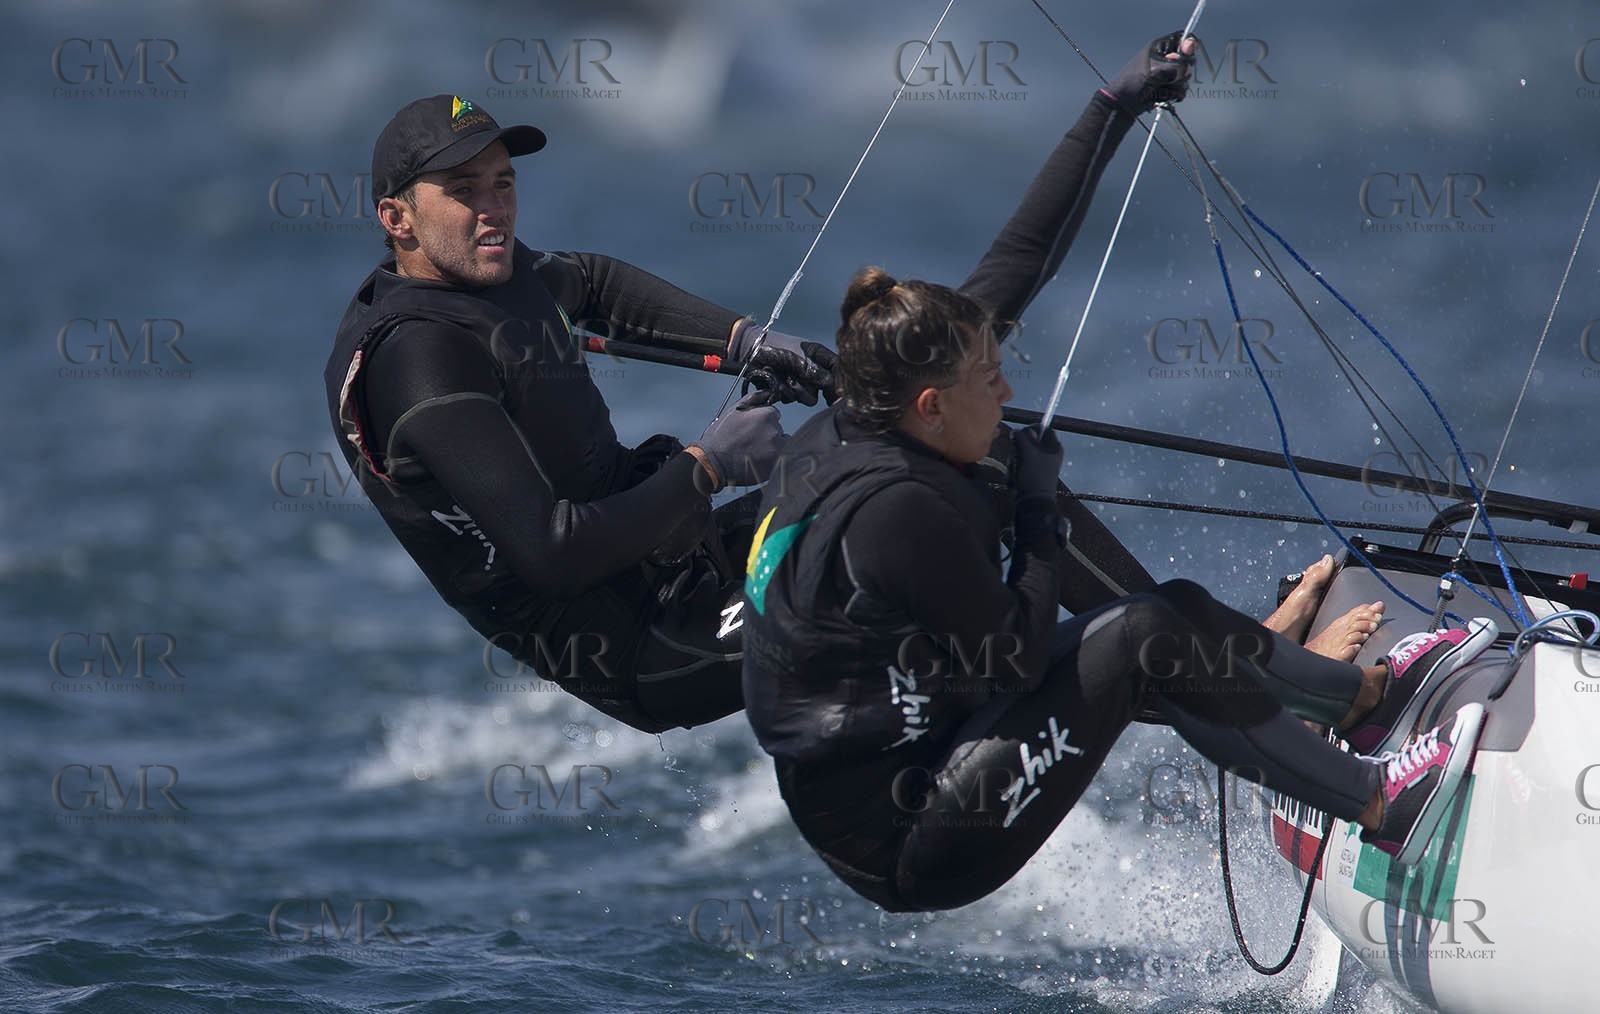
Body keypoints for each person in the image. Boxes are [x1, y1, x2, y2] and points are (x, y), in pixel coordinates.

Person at [740, 46, 1496, 912]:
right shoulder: (896, 511)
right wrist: (1033, 516)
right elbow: (1020, 661)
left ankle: (1358, 693)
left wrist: (1115, 105)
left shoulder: (869, 408)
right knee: (1142, 635)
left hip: (939, 738)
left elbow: (1023, 256)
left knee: (1165, 606)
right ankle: (1382, 800)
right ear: (929, 404)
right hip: (910, 832)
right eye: (989, 380)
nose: (1008, 389)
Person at [323, 94, 835, 734]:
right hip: (644, 645)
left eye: (503, 183)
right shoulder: (418, 359)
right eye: (463, 190)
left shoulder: (486, 272)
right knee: (871, 564)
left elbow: (591, 283)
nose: (495, 208)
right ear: (397, 219)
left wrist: (743, 341)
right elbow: (554, 553)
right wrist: (709, 466)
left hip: (674, 549)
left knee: (896, 474)